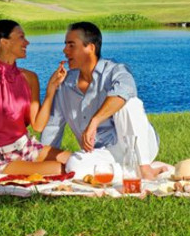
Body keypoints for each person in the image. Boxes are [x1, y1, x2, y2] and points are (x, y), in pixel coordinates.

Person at [40, 21, 161, 179]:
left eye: (71, 45)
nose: (64, 50)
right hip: (103, 154)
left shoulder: (116, 70)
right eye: (65, 45)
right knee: (74, 165)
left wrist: (95, 121)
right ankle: (128, 171)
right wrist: (38, 157)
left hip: (139, 145)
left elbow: (125, 90)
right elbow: (53, 128)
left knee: (129, 102)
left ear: (90, 48)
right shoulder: (65, 85)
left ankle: (144, 167)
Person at [0, 20, 70, 175]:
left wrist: (51, 89)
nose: (27, 42)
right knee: (62, 170)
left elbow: (38, 126)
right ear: (4, 42)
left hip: (27, 147)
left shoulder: (30, 78)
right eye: (21, 37)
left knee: (76, 162)